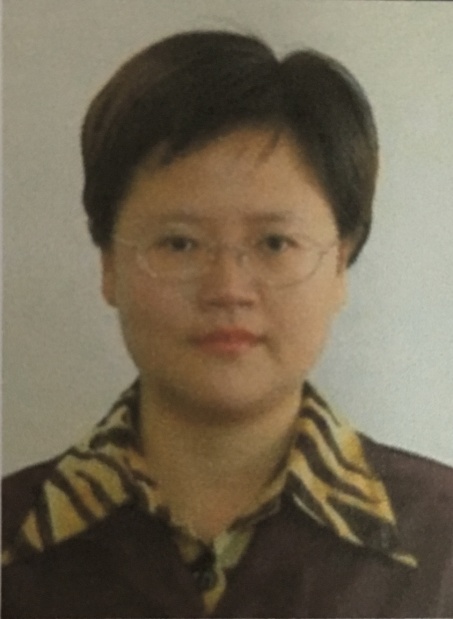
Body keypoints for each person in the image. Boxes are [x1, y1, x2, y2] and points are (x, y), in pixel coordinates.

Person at [2, 29, 452, 619]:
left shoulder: (441, 538)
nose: (228, 290)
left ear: (340, 264)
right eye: (179, 243)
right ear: (109, 265)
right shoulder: (14, 540)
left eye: (274, 243)